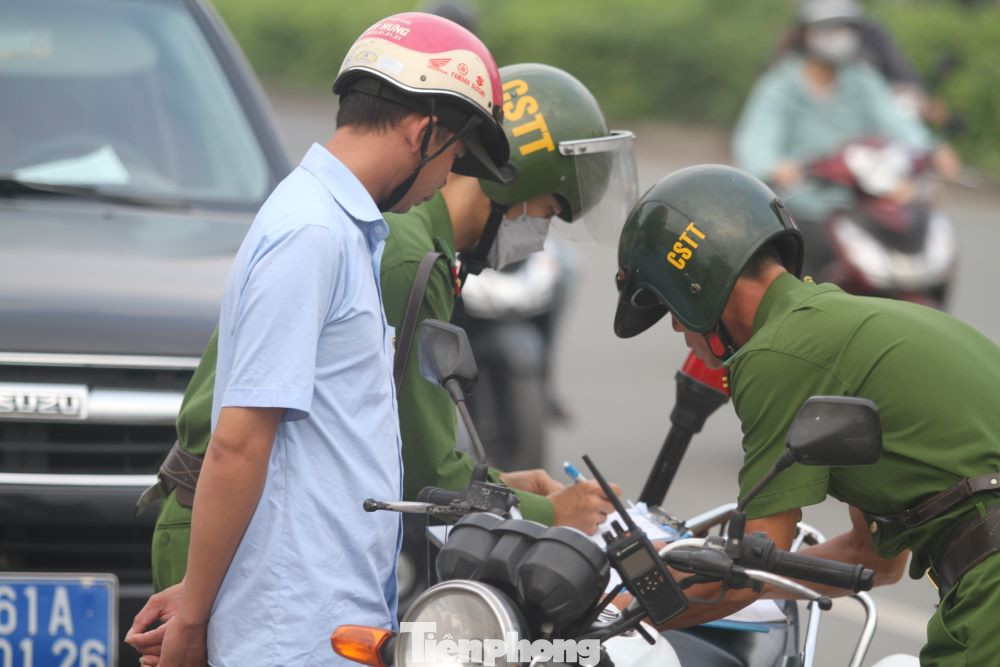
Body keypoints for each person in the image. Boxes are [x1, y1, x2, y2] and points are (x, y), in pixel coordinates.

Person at [127, 63, 636, 662]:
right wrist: (554, 513)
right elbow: (420, 466)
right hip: (242, 538)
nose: (538, 235)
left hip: (264, 537)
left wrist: (500, 487)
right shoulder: (398, 254)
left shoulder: (389, 235)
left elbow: (367, 432)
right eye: (544, 212)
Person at [144, 12, 510, 666]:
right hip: (294, 633)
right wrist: (195, 615)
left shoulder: (337, 227)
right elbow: (237, 444)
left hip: (321, 618)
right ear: (424, 133)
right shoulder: (311, 235)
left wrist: (207, 589)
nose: (445, 181)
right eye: (455, 158)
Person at [613, 163, 1000, 664]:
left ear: (696, 288)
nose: (674, 328)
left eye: (669, 308)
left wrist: (622, 611)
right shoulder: (838, 326)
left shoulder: (776, 354)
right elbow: (870, 560)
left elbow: (751, 567)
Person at [732, 0, 960, 273]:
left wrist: (933, 149)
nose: (842, 37)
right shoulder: (779, 88)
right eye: (832, 28)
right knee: (809, 260)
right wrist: (777, 168)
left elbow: (898, 123)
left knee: (914, 235)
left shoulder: (862, 80)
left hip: (862, 202)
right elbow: (755, 146)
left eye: (847, 29)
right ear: (808, 34)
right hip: (805, 206)